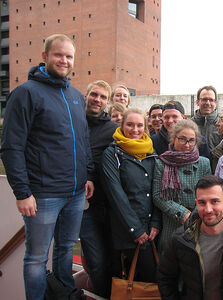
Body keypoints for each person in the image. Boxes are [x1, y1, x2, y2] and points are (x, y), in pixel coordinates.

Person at [0, 34, 94, 300]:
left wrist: (86, 175)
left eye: (69, 56)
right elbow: (12, 147)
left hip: (75, 193)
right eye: (58, 55)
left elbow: (82, 140)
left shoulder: (76, 96)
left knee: (65, 249)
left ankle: (63, 295)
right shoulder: (25, 93)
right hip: (43, 195)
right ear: (45, 57)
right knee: (36, 258)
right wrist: (22, 192)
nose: (64, 60)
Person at [101, 108, 161, 282]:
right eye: (130, 125)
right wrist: (135, 229)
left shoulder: (151, 152)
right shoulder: (112, 154)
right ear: (122, 125)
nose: (135, 130)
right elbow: (116, 195)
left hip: (151, 230)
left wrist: (155, 223)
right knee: (147, 277)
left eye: (139, 125)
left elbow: (157, 190)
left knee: (147, 281)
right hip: (129, 230)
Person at [79, 80, 118, 298]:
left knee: (113, 259)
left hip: (109, 206)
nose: (98, 100)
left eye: (103, 97)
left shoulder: (112, 130)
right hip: (83, 206)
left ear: (108, 102)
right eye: (94, 94)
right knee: (95, 261)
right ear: (86, 95)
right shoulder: (73, 122)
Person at [152, 119, 211, 254]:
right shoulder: (161, 163)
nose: (187, 144)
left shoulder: (204, 163)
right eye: (182, 139)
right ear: (173, 139)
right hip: (172, 225)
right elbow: (158, 196)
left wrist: (195, 215)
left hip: (198, 224)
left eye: (191, 140)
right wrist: (183, 214)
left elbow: (207, 193)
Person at [191, 85, 223, 150]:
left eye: (211, 100)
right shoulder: (188, 125)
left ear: (216, 103)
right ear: (197, 102)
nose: (208, 103)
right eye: (204, 99)